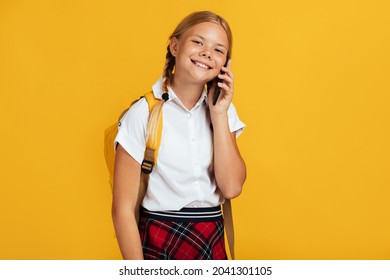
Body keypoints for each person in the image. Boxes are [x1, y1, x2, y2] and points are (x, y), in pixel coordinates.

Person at [112, 11, 246, 260]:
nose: (207, 53)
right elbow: (122, 210)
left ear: (225, 64)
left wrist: (219, 115)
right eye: (198, 42)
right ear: (174, 46)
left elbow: (231, 186)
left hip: (211, 235)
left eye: (219, 50)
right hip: (160, 237)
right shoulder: (143, 113)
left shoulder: (223, 110)